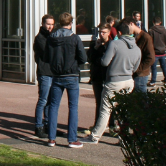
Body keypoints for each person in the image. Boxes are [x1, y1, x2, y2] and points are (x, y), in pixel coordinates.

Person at [85, 16, 141, 144]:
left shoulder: (115, 44)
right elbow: (136, 67)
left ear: (119, 33)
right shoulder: (136, 48)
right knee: (122, 110)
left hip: (114, 80)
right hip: (129, 80)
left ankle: (95, 137)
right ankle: (124, 137)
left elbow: (105, 62)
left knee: (105, 110)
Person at [45, 12, 88, 148]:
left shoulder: (51, 38)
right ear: (71, 23)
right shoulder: (74, 38)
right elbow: (83, 58)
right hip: (72, 75)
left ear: (59, 23)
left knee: (53, 106)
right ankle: (72, 139)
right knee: (73, 107)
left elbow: (46, 57)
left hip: (57, 75)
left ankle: (51, 138)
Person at [86, 23, 112, 134]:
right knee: (99, 101)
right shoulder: (94, 44)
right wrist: (95, 48)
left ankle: (112, 125)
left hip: (108, 76)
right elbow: (89, 58)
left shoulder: (111, 44)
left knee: (110, 102)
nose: (101, 34)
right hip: (97, 76)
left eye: (104, 32)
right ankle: (97, 124)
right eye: (100, 32)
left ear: (109, 33)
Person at [32, 14, 55, 138]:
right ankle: (38, 126)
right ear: (43, 24)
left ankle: (48, 125)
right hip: (44, 72)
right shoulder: (40, 38)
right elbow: (48, 53)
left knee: (50, 101)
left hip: (53, 72)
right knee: (43, 100)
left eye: (52, 24)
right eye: (48, 24)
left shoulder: (52, 36)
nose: (50, 27)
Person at [132, 23, 154, 93]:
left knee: (141, 96)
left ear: (131, 24)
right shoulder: (135, 36)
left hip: (141, 74)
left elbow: (151, 58)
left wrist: (138, 69)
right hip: (136, 73)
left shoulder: (145, 37)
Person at [148, 16, 166, 87]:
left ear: (153, 22)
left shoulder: (151, 30)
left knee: (154, 68)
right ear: (160, 22)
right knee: (164, 67)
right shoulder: (164, 30)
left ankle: (153, 82)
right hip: (162, 52)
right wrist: (164, 47)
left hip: (154, 52)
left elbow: (149, 42)